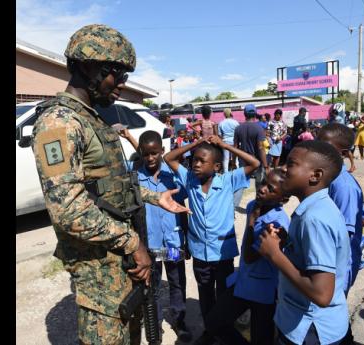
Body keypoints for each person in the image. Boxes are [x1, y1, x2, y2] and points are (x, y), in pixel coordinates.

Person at [31, 24, 190, 345]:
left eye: (125, 77)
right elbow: (70, 210)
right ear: (86, 67)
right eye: (115, 74)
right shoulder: (59, 122)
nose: (121, 85)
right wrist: (133, 244)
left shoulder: (93, 117)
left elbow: (108, 186)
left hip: (123, 265)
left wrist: (154, 197)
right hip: (100, 270)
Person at [164, 135, 260, 345]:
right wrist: (196, 144)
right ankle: (210, 331)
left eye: (202, 160)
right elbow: (169, 158)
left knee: (224, 295)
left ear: (216, 166)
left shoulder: (227, 180)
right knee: (205, 293)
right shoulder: (189, 178)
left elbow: (255, 163)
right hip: (200, 252)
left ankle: (223, 330)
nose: (196, 164)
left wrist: (225, 146)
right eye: (194, 159)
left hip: (223, 252)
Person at [257, 140, 351, 345]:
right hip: (303, 324)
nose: (282, 168)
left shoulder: (314, 219)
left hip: (310, 332)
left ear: (315, 176)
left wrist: (275, 255)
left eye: (290, 164)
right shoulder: (314, 209)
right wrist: (286, 244)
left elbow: (322, 294)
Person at [204, 169, 290, 345]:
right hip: (244, 281)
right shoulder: (253, 205)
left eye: (270, 189)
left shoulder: (277, 223)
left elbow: (251, 256)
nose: (262, 189)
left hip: (264, 289)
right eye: (264, 182)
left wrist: (252, 220)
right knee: (214, 321)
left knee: (262, 337)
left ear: (283, 199)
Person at [128, 130, 193, 342]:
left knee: (176, 283)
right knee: (152, 288)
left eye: (154, 153)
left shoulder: (173, 176)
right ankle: (154, 326)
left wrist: (188, 242)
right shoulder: (136, 178)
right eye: (146, 154)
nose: (150, 158)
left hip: (173, 244)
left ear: (162, 151)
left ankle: (179, 320)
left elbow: (182, 208)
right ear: (141, 154)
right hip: (150, 247)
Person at [317, 123, 364, 344]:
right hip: (326, 261)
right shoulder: (327, 177)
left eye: (323, 145)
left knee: (330, 315)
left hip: (337, 266)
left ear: (342, 153)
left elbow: (343, 236)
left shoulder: (343, 185)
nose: (315, 148)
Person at [233, 104, 270, 207]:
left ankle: (233, 208)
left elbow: (235, 147)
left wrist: (233, 162)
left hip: (243, 161)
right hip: (256, 161)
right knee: (259, 184)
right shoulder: (259, 128)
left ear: (244, 114)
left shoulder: (238, 128)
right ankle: (258, 207)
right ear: (255, 114)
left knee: (240, 185)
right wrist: (266, 166)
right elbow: (260, 148)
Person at [218, 108, 240, 172]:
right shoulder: (235, 122)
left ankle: (226, 174)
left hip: (225, 142)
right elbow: (238, 132)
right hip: (234, 141)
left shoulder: (221, 123)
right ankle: (237, 172)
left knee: (226, 159)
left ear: (224, 114)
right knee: (235, 159)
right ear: (231, 113)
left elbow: (219, 134)